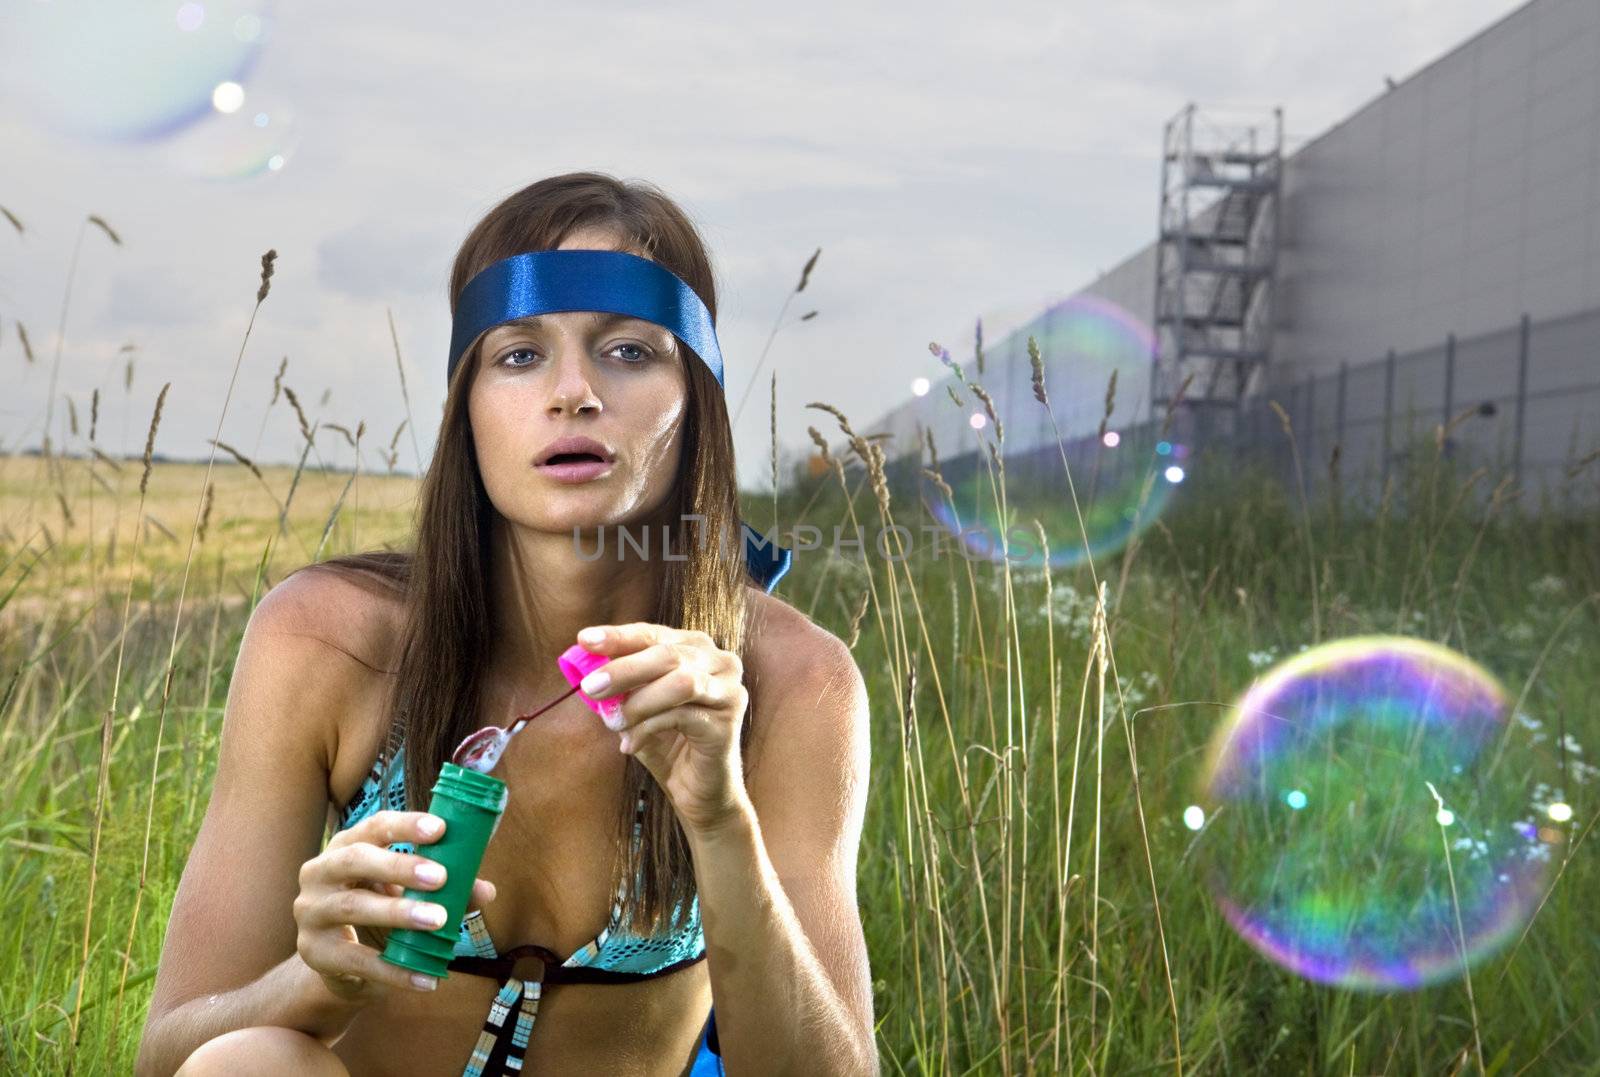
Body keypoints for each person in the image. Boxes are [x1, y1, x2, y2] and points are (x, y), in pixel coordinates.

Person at [134, 172, 878, 1076]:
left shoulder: (791, 682)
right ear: (467, 406)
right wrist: (316, 976)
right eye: (519, 355)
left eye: (631, 352)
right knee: (245, 1063)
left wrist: (719, 822)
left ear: (699, 396)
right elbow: (170, 1052)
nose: (573, 392)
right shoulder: (329, 640)